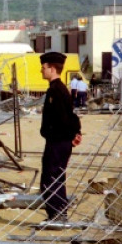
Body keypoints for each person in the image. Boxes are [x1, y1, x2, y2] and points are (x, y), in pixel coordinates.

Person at [39, 52, 82, 221]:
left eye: (43, 67)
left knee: (51, 178)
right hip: (58, 140)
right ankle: (58, 213)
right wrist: (75, 132)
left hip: (58, 142)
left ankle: (57, 214)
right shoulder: (57, 89)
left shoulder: (57, 90)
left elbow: (64, 118)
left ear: (52, 69)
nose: (41, 70)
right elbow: (70, 116)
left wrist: (72, 134)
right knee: (54, 177)